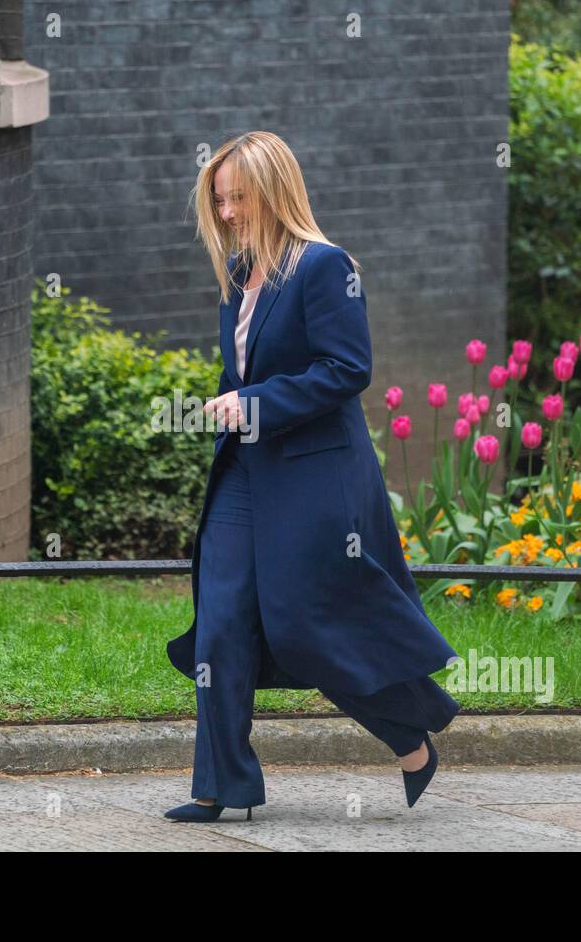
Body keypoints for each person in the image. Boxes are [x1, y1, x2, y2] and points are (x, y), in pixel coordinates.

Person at [164, 131, 462, 822]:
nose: (230, 212)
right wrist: (232, 403)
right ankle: (220, 786)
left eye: (239, 197)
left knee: (303, 627)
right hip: (243, 470)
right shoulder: (240, 274)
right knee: (219, 625)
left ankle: (408, 731)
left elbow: (346, 368)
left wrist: (254, 403)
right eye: (221, 199)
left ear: (274, 191)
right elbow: (243, 369)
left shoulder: (325, 268)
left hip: (313, 476)